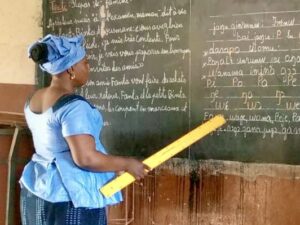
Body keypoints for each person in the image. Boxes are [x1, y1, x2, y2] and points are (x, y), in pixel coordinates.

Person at [19, 34, 149, 225]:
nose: (88, 67)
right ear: (71, 68)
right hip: (70, 197)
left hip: (37, 188)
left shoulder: (34, 99)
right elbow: (86, 158)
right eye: (85, 62)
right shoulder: (74, 106)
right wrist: (127, 163)